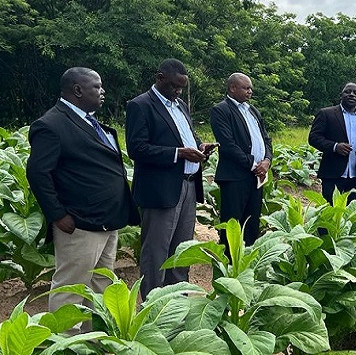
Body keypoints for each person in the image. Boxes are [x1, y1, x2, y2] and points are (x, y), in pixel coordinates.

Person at [26, 67, 139, 332]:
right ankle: (65, 343)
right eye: (97, 87)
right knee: (71, 287)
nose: (103, 92)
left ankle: (94, 341)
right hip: (79, 224)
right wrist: (57, 214)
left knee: (101, 285)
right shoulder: (51, 124)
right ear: (77, 90)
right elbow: (38, 173)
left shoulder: (89, 121)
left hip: (106, 221)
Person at [126, 59, 217, 298]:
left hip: (187, 187)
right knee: (156, 252)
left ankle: (177, 305)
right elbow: (137, 148)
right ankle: (153, 306)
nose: (178, 91)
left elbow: (187, 138)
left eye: (181, 87)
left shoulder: (180, 106)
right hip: (160, 190)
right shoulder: (141, 105)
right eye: (175, 86)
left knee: (181, 251)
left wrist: (200, 147)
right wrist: (179, 153)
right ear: (160, 78)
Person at [210, 73, 272, 249]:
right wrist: (254, 165)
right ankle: (228, 267)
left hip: (257, 177)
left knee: (251, 224)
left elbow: (266, 140)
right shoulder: (221, 110)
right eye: (246, 88)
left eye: (251, 88)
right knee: (233, 226)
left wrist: (267, 161)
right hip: (235, 177)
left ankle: (247, 264)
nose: (250, 91)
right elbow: (228, 146)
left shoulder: (253, 111)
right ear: (232, 88)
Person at [308, 82, 356, 204]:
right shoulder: (326, 114)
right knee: (330, 214)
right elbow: (313, 137)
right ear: (341, 95)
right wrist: (335, 147)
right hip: (332, 175)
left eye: (355, 93)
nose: (351, 95)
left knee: (352, 216)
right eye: (348, 91)